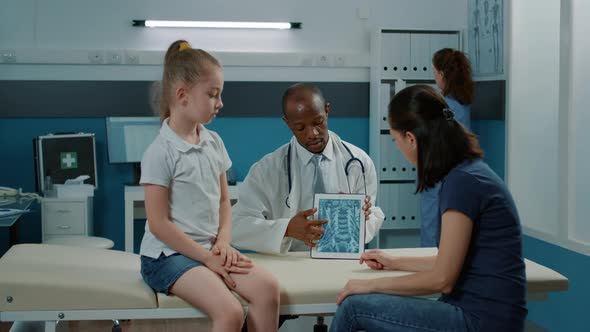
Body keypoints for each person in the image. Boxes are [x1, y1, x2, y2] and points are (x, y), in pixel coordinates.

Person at [330, 85, 527, 332]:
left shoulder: (462, 183)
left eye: (395, 139)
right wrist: (394, 261)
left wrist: (368, 285)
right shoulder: (469, 172)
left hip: (479, 321)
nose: (398, 147)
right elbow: (453, 262)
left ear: (411, 138)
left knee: (354, 308)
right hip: (489, 315)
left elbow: (442, 279)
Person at [138, 40, 280, 332]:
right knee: (228, 311)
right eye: (213, 95)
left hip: (210, 249)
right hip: (167, 257)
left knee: (267, 290)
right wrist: (206, 258)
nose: (220, 103)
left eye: (220, 94)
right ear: (183, 96)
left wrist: (223, 243)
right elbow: (158, 224)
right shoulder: (160, 152)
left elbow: (224, 202)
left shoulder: (213, 142)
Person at [231, 83, 384, 254]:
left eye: (318, 122)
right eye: (300, 128)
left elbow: (371, 219)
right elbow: (235, 226)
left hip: (341, 259)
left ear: (327, 110)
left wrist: (358, 219)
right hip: (291, 261)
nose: (312, 134)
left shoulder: (359, 163)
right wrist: (286, 229)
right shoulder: (267, 169)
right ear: (287, 123)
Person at [421, 48, 475, 247]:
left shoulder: (445, 106)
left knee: (432, 229)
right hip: (457, 173)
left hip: (439, 172)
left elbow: (433, 139)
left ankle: (431, 270)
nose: (434, 76)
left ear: (442, 74)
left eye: (434, 72)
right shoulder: (462, 103)